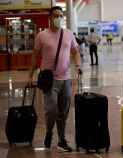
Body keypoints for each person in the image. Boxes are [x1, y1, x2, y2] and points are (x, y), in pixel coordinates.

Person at [28, 6, 81, 152]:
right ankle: (49, 131)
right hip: (49, 80)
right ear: (50, 18)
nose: (59, 18)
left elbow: (76, 51)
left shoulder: (68, 34)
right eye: (56, 16)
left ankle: (62, 139)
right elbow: (34, 55)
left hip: (66, 79)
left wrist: (78, 64)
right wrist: (30, 75)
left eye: (60, 15)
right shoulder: (42, 35)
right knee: (51, 110)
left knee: (64, 111)